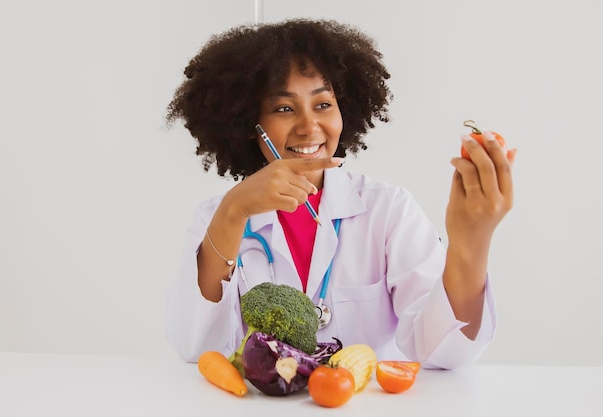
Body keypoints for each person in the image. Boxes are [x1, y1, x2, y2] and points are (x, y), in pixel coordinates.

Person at [164, 18, 516, 369]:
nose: (308, 126)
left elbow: (445, 352)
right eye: (284, 108)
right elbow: (197, 348)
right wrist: (233, 211)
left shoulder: (388, 210)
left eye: (323, 105)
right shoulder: (217, 217)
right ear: (248, 125)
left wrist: (472, 241)